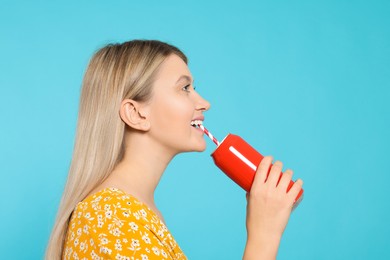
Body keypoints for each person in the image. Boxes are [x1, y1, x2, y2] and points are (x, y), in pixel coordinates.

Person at [46, 40, 303, 260]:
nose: (204, 103)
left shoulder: (132, 211)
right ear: (136, 113)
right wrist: (264, 235)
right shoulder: (111, 217)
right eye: (185, 88)